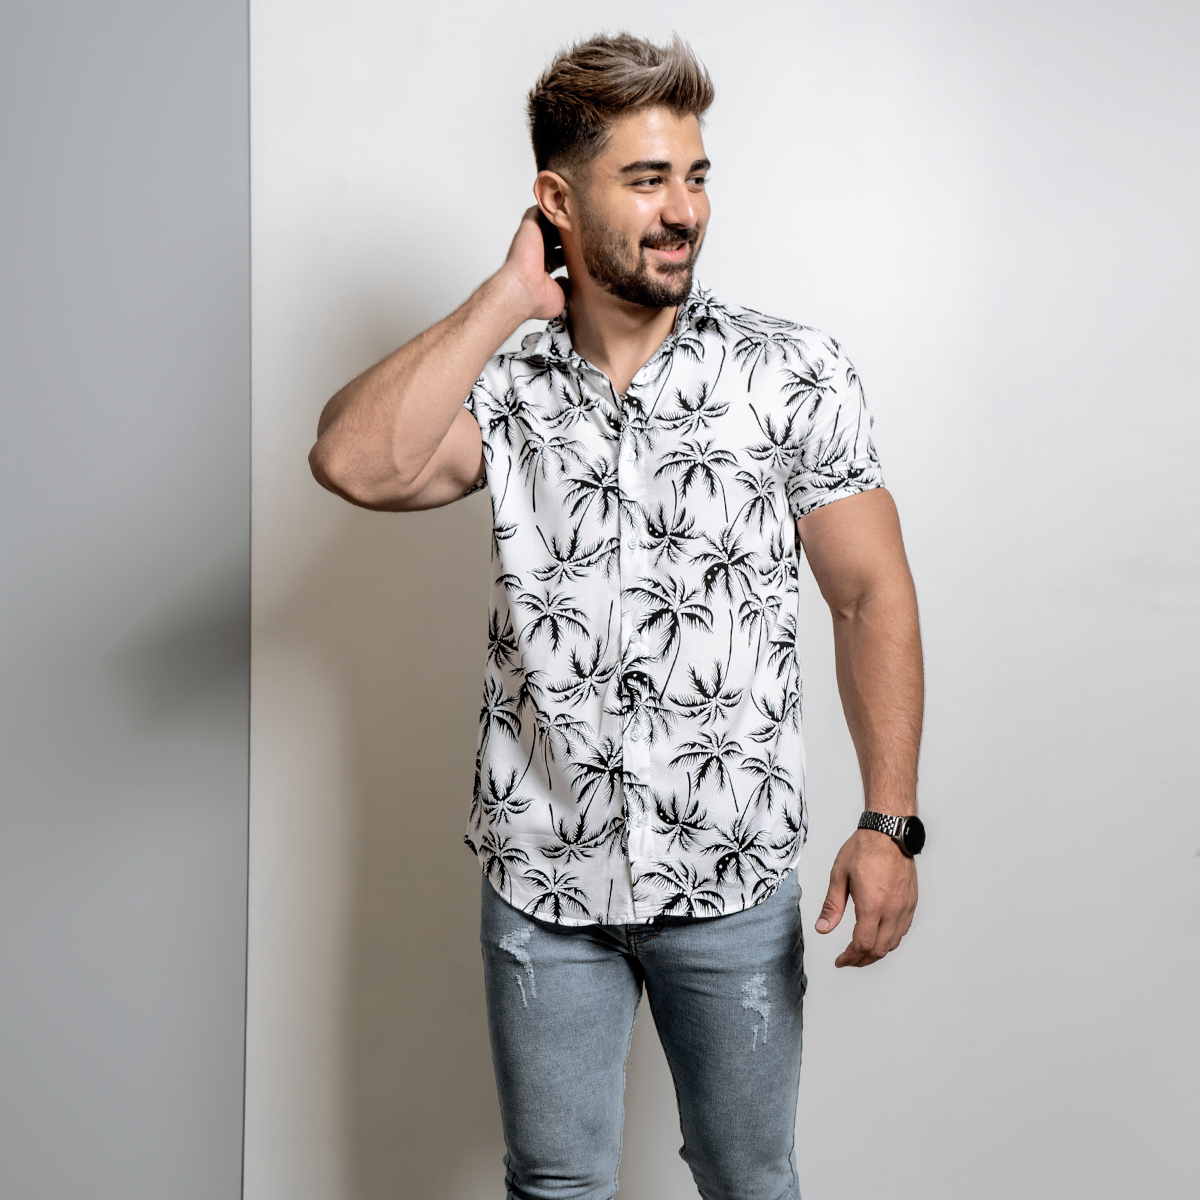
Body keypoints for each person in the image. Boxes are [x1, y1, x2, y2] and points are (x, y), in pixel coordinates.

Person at [310, 32, 924, 1200]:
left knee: (751, 1181)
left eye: (695, 176)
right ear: (557, 199)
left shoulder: (790, 373)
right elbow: (352, 461)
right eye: (647, 180)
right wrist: (506, 296)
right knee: (555, 1186)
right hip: (542, 881)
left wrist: (889, 822)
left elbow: (868, 594)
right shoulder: (502, 388)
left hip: (730, 876)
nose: (684, 209)